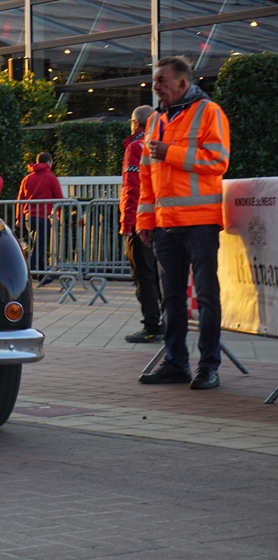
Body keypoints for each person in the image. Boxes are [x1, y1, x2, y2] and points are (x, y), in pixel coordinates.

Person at [136, 55, 230, 390]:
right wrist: (145, 220)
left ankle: (208, 366)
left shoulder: (209, 112)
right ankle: (176, 363)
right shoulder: (154, 121)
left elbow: (218, 161)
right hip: (165, 225)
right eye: (154, 81)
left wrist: (170, 152)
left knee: (206, 297)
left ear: (182, 83)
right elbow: (146, 177)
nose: (155, 87)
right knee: (171, 299)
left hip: (201, 221)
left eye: (161, 81)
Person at [121, 105, 164, 344]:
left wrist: (127, 223)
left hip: (142, 220)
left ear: (136, 124)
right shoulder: (163, 143)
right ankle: (167, 322)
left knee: (143, 274)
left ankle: (151, 325)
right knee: (161, 274)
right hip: (164, 219)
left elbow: (132, 188)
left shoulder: (135, 147)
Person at [16, 152, 63, 280]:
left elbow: (20, 200)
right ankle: (27, 271)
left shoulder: (27, 179)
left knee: (37, 245)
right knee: (39, 246)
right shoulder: (51, 178)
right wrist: (58, 214)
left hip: (29, 218)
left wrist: (19, 218)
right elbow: (59, 198)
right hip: (43, 217)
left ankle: (41, 274)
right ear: (48, 162)